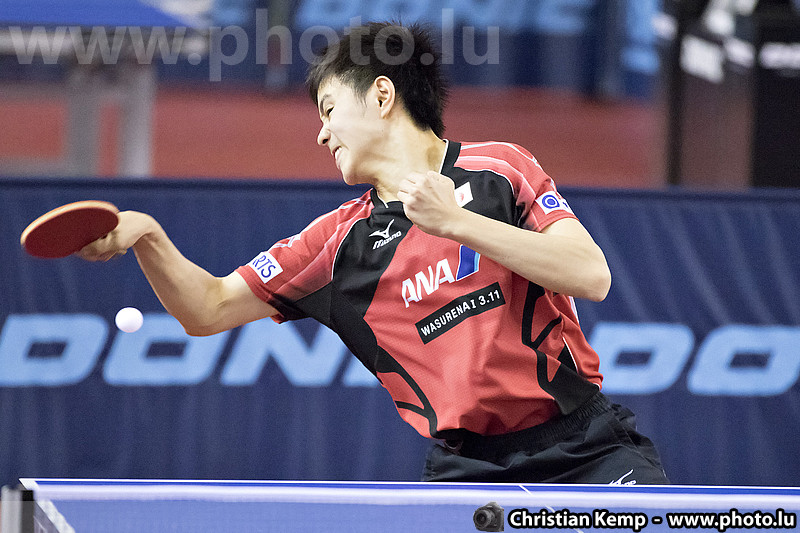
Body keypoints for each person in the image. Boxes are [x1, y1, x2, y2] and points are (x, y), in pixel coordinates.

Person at [79, 21, 669, 484]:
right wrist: (149, 237)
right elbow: (206, 308)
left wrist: (456, 223)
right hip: (468, 472)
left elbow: (590, 275)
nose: (321, 133)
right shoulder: (335, 244)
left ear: (382, 94)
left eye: (329, 109)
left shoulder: (499, 168)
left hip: (586, 449)